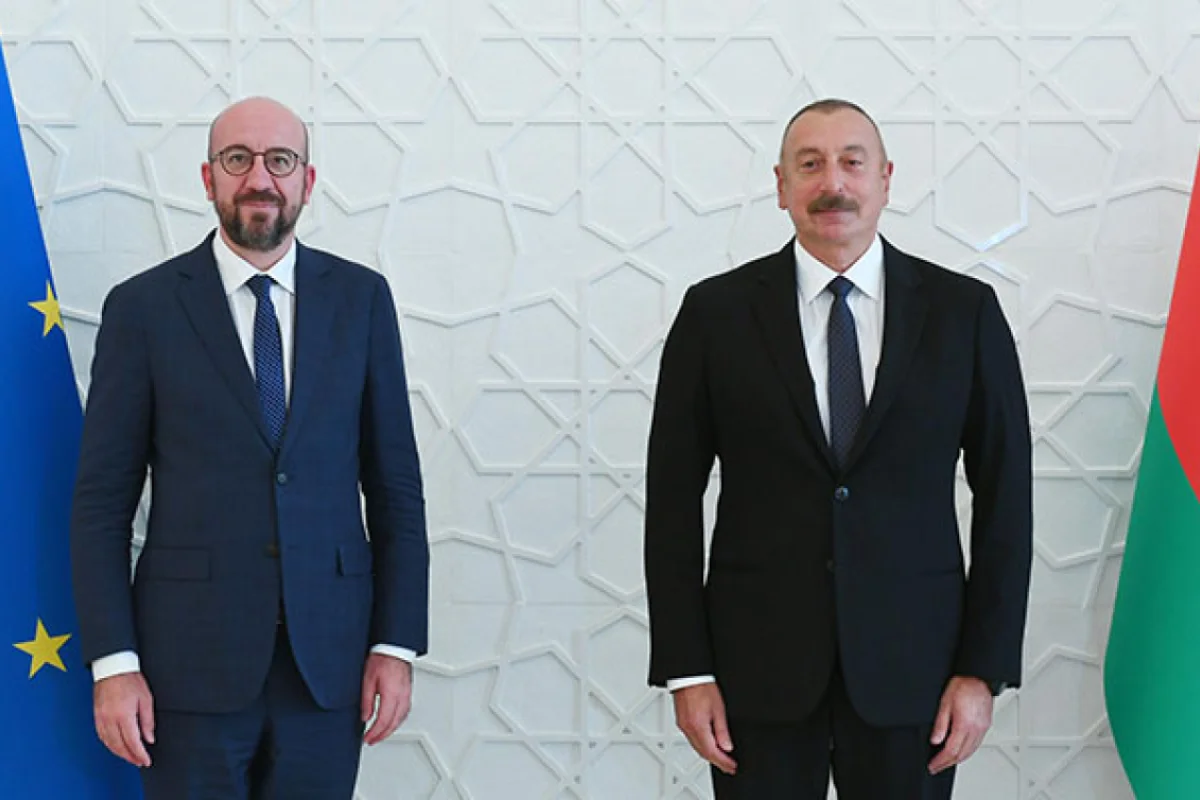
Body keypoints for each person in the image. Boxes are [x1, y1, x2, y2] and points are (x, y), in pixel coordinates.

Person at [643, 98, 1032, 799]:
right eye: (810, 164)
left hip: (917, 673)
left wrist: (983, 669)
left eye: (852, 162)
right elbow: (670, 502)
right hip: (753, 675)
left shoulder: (964, 313)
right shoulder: (714, 314)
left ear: (885, 179)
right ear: (781, 185)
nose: (833, 183)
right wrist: (687, 669)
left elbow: (1007, 499)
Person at [69, 96, 429, 799]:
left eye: (279, 160)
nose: (259, 178)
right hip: (184, 671)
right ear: (209, 178)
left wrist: (395, 643)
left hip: (328, 667)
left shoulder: (361, 300)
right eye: (238, 159)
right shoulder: (142, 308)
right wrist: (113, 663)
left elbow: (396, 489)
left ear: (307, 181)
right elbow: (102, 504)